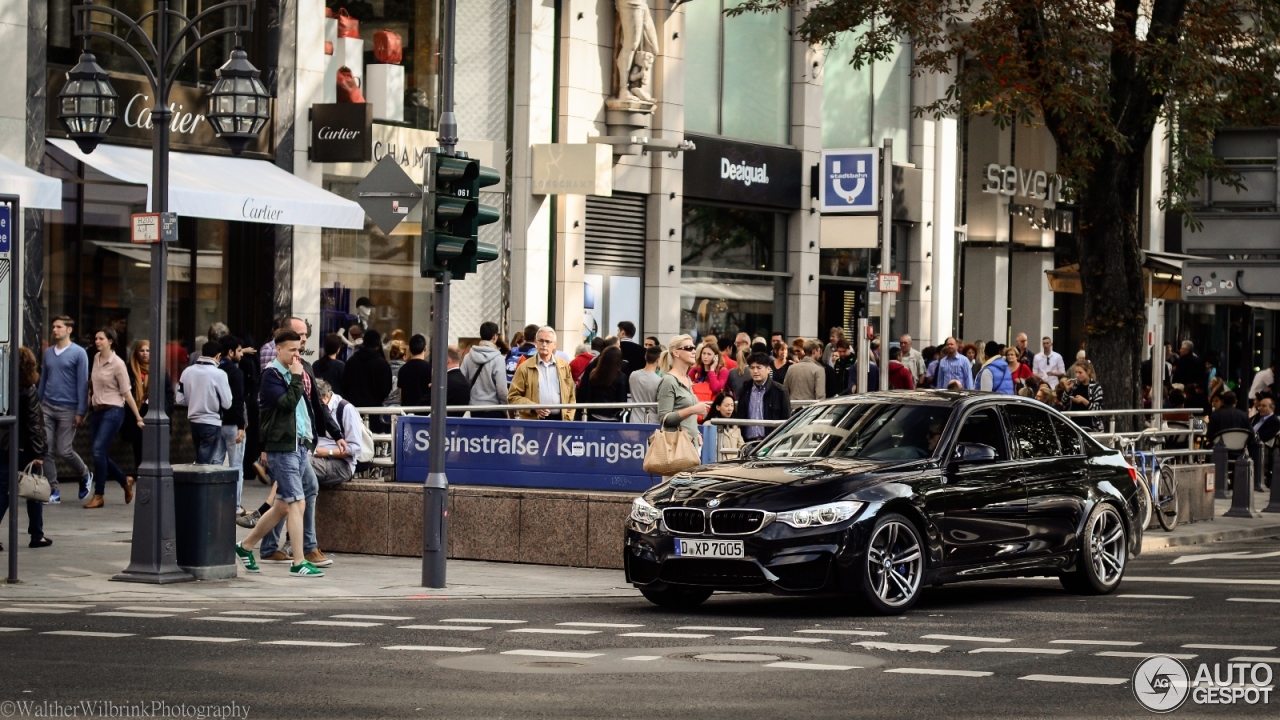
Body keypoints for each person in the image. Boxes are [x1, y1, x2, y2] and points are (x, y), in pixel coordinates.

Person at [234, 329, 326, 577]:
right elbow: (286, 404)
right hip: (282, 448)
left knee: (286, 504)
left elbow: (305, 410)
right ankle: (298, 562)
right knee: (297, 502)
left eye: (299, 350)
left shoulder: (292, 372)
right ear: (278, 349)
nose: (297, 354)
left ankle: (246, 546)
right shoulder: (271, 375)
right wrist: (296, 378)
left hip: (298, 445)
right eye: (292, 350)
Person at [85, 328, 145, 508]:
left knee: (98, 451)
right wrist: (84, 411)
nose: (97, 342)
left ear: (111, 341)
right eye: (96, 338)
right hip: (97, 410)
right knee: (99, 452)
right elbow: (92, 387)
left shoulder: (118, 364)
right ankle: (124, 481)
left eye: (101, 339)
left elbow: (127, 393)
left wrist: (137, 417)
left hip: (114, 410)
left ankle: (99, 494)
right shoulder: (95, 359)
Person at [0, 347, 52, 548]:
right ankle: (37, 534)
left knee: (3, 490)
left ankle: (37, 533)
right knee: (34, 490)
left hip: (4, 446)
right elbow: (33, 423)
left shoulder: (5, 387)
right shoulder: (28, 389)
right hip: (24, 448)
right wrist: (39, 453)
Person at [39, 316, 91, 504]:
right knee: (46, 448)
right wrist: (38, 403)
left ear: (69, 330)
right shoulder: (48, 353)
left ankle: (84, 473)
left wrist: (81, 411)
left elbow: (82, 383)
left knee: (64, 449)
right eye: (53, 326)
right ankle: (53, 490)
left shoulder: (79, 353)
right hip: (47, 406)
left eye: (59, 327)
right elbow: (43, 378)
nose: (55, 330)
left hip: (68, 408)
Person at [123, 340, 173, 487]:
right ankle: (140, 473)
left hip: (156, 410)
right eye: (142, 350)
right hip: (136, 412)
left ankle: (154, 475)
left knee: (155, 444)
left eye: (148, 351)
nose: (145, 354)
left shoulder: (159, 370)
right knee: (138, 446)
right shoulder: (130, 369)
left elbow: (168, 392)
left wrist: (167, 410)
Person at [176, 340, 232, 464]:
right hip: (211, 421)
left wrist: (194, 400)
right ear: (218, 355)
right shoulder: (219, 374)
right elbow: (227, 403)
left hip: (194, 421)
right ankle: (197, 483)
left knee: (201, 458)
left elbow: (179, 399)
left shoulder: (187, 372)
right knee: (204, 463)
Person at [656, 335, 711, 457]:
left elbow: (685, 415)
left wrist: (696, 432)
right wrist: (693, 410)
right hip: (675, 448)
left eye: (694, 348)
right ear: (676, 353)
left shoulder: (687, 379)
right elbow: (664, 418)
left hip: (692, 445)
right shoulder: (669, 381)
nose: (693, 351)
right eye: (688, 348)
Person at [508, 326, 577, 420]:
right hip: (534, 422)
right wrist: (533, 407)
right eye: (541, 341)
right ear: (536, 342)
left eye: (548, 341)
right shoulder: (525, 367)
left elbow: (571, 396)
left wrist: (568, 418)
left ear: (555, 345)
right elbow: (513, 396)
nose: (544, 344)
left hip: (560, 421)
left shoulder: (563, 366)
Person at [216, 336, 250, 525]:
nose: (241, 355)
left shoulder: (216, 370)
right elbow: (238, 400)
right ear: (230, 352)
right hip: (232, 425)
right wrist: (240, 425)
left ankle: (216, 501)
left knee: (216, 463)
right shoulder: (235, 373)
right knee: (236, 466)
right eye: (239, 351)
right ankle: (234, 505)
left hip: (216, 423)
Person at [312, 378, 362, 487]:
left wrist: (327, 452)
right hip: (315, 457)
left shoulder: (345, 409)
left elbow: (356, 448)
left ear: (324, 398)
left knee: (302, 466)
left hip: (342, 464)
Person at [733, 353, 792, 442]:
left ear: (768, 369)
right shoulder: (745, 390)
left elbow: (786, 420)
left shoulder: (780, 391)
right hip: (747, 442)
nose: (755, 371)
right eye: (752, 368)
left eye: (759, 367)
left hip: (771, 442)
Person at [342, 329, 393, 432]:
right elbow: (386, 388)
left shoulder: (352, 361)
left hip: (354, 409)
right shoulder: (382, 364)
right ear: (378, 344)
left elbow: (345, 384)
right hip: (375, 410)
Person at [461, 322, 509, 418]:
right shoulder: (498, 359)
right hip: (493, 409)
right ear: (495, 337)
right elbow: (502, 389)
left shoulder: (468, 356)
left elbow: (462, 382)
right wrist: (505, 407)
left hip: (474, 409)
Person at [578, 346, 628, 421]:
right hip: (613, 417)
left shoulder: (594, 374)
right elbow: (622, 400)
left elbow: (588, 394)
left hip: (594, 415)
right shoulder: (621, 377)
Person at [628, 345, 663, 424]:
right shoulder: (659, 380)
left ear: (645, 357)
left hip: (634, 420)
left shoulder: (633, 375)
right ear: (658, 360)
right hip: (652, 422)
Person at [1067, 360, 1105, 431]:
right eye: (1076, 372)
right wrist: (1067, 390)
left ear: (1088, 372)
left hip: (1090, 426)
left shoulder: (1096, 388)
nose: (1077, 375)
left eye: (1080, 372)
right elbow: (1064, 403)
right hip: (1074, 425)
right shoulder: (1075, 386)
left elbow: (1099, 410)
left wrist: (1084, 401)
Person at [397, 334, 432, 407]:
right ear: (425, 348)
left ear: (409, 349)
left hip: (407, 411)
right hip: (424, 412)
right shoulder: (430, 368)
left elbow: (401, 396)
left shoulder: (403, 369)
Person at [385, 339, 409, 405]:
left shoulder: (384, 367)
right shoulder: (406, 369)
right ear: (405, 355)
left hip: (384, 405)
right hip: (400, 406)